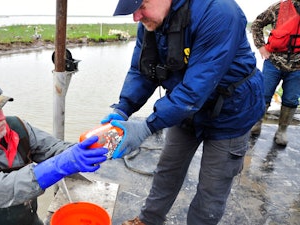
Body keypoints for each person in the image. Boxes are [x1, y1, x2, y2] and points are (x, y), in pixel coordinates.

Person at [101, 0, 265, 224]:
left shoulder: (219, 13)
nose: (136, 17)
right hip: (185, 110)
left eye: (142, 7)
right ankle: (148, 220)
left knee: (212, 187)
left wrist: (147, 126)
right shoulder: (151, 22)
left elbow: (195, 89)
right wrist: (123, 108)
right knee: (167, 169)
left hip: (231, 112)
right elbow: (142, 70)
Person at [0, 72, 108, 225]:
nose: (1, 118)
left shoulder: (16, 126)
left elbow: (52, 148)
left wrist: (88, 147)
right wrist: (58, 166)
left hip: (30, 220)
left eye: (0, 109)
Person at [250, 0, 300, 146]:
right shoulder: (280, 7)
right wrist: (261, 46)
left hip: (298, 67)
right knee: (264, 94)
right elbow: (257, 23)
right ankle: (256, 124)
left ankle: (282, 131)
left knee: (291, 99)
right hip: (274, 62)